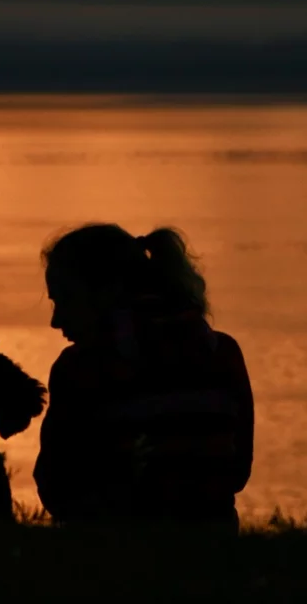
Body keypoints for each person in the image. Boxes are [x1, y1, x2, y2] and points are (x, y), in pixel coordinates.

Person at [33, 224, 254, 532]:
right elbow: (237, 471)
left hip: (120, 556)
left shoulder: (81, 369)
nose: (56, 320)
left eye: (64, 300)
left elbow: (56, 489)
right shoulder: (223, 353)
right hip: (215, 550)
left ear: (107, 292)